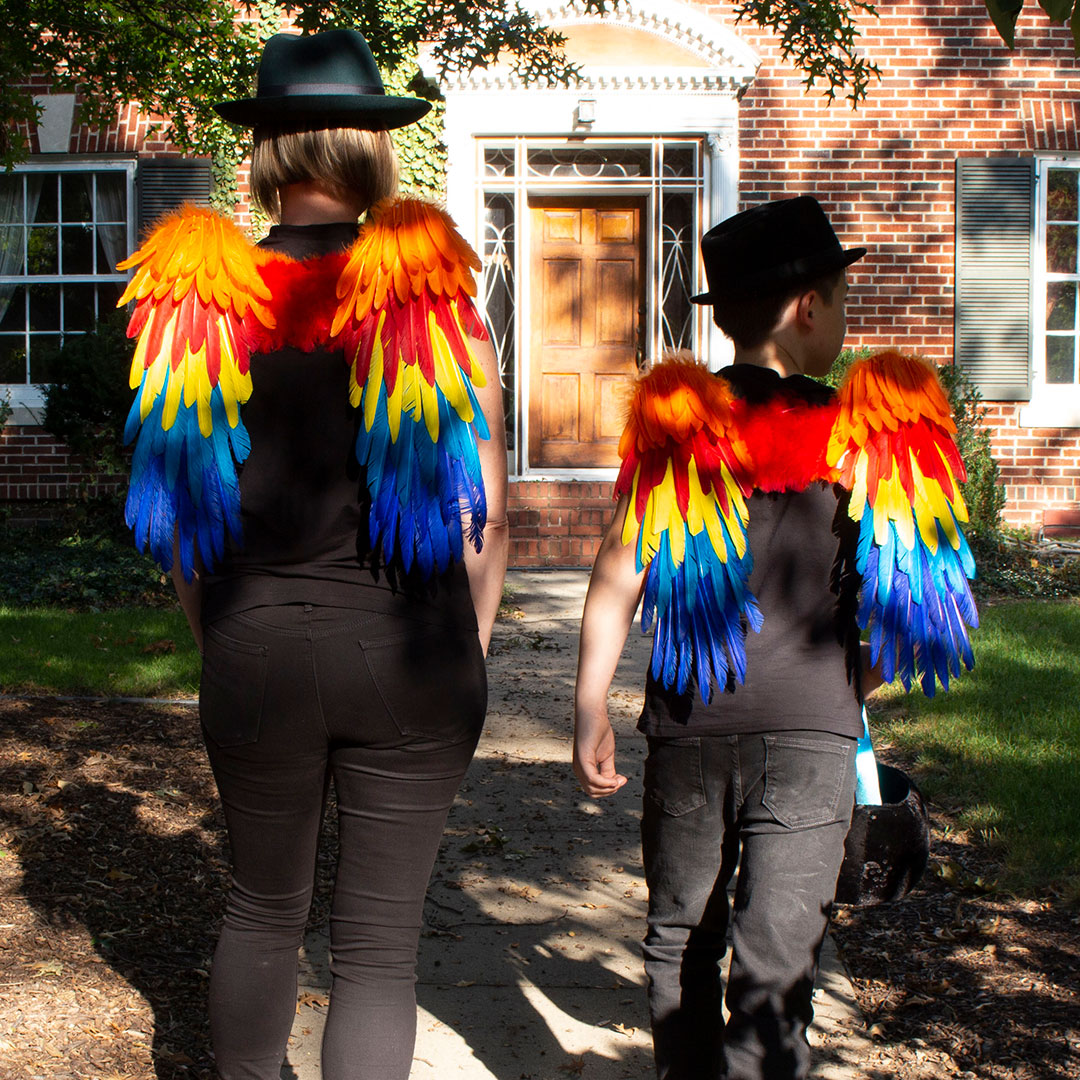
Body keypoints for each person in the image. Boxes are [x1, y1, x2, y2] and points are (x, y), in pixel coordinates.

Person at [118, 29, 508, 1080]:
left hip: (256, 648)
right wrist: (466, 648)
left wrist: (228, 635)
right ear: (373, 151)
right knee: (379, 951)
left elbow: (181, 522)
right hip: (414, 653)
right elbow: (488, 514)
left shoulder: (195, 309)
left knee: (260, 907)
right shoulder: (434, 307)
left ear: (268, 152)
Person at [573, 196, 976, 1079]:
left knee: (679, 935)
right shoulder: (869, 439)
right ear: (807, 309)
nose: (844, 318)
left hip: (687, 732)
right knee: (778, 959)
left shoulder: (679, 429)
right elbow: (910, 607)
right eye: (840, 298)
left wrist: (589, 700)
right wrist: (852, 684)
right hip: (809, 737)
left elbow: (616, 572)